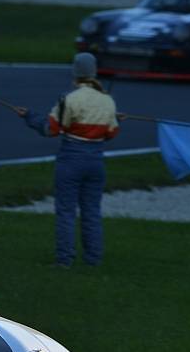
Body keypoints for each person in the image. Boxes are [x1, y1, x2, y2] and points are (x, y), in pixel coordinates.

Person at [15, 53, 121, 267]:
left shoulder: (69, 99)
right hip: (96, 161)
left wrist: (30, 116)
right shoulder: (107, 100)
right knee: (91, 211)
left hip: (71, 159)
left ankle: (65, 260)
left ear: (76, 72)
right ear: (94, 71)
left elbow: (51, 129)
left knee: (66, 211)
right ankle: (93, 259)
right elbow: (111, 133)